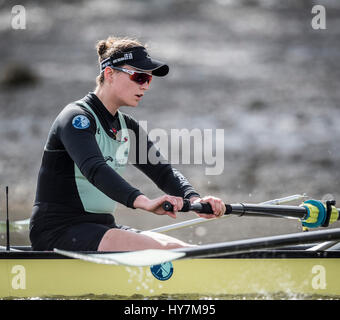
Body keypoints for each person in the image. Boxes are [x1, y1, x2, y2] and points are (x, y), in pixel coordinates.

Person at [29, 36, 226, 252]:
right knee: (169, 251)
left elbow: (163, 172)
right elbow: (95, 169)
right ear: (109, 73)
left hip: (99, 227)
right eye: (139, 77)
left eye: (149, 79)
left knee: (180, 248)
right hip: (58, 231)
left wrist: (195, 199)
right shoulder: (76, 119)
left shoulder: (126, 127)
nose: (146, 86)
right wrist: (144, 202)